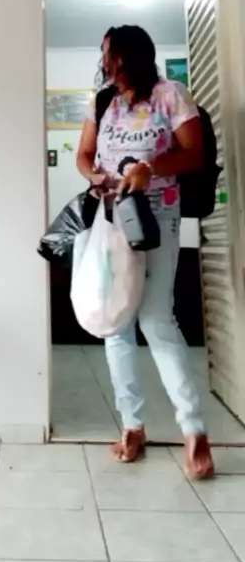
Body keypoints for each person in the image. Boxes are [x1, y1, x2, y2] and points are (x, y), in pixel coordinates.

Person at [76, 25, 214, 480]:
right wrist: (95, 176)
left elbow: (193, 155)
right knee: (116, 325)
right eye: (104, 55)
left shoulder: (169, 95)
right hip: (112, 220)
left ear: (131, 55)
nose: (105, 62)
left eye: (111, 54)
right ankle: (132, 427)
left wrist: (149, 168)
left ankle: (194, 431)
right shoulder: (103, 102)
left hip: (157, 220)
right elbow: (84, 155)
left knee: (156, 319)